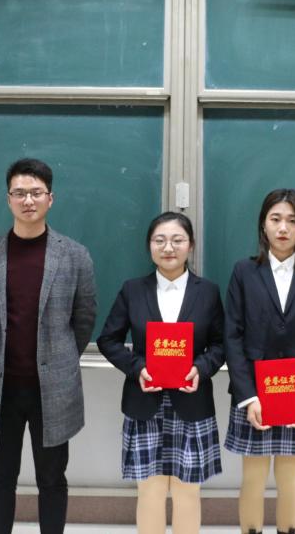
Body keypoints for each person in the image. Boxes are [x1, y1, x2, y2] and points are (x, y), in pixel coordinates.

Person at [0, 157, 97, 534]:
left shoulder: (75, 255)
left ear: (50, 198)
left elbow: (84, 319)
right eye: (20, 193)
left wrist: (58, 359)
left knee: (52, 478)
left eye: (36, 193)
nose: (28, 200)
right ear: (8, 199)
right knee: (0, 477)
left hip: (53, 390)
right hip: (2, 389)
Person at [97, 212, 226, 534]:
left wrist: (201, 368)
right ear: (149, 246)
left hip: (192, 402)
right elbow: (108, 340)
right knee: (150, 492)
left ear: (190, 245)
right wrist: (137, 368)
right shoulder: (132, 290)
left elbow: (222, 344)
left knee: (187, 492)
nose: (168, 248)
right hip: (145, 403)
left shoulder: (208, 292)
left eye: (177, 240)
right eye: (160, 240)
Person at [223, 189, 295, 534]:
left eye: (292, 221)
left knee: (290, 478)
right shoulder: (244, 271)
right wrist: (248, 397)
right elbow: (232, 337)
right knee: (253, 478)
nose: (283, 228)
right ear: (263, 224)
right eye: (275, 219)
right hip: (254, 394)